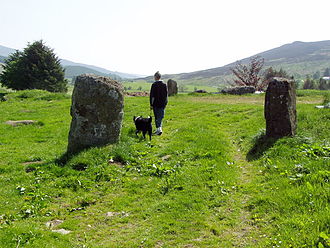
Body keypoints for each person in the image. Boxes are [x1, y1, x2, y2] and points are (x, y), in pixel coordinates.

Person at [150, 71, 168, 135]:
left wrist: (151, 104)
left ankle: (159, 130)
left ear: (155, 77)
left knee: (156, 117)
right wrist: (166, 103)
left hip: (155, 104)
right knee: (160, 117)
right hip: (162, 104)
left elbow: (152, 96)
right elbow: (166, 95)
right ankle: (159, 129)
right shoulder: (164, 85)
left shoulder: (154, 85)